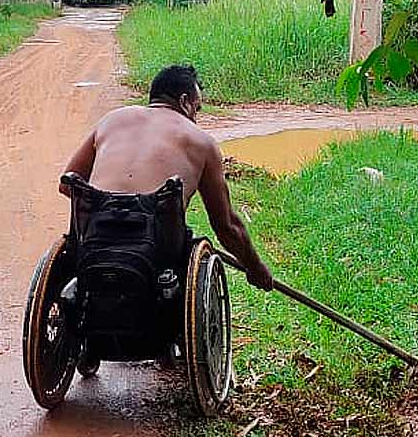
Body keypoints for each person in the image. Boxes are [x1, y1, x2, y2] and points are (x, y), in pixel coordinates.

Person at [61, 64, 273, 291]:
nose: (195, 119)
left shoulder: (112, 119)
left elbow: (67, 184)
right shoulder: (202, 141)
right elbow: (226, 226)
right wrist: (256, 268)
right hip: (157, 252)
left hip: (93, 236)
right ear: (184, 102)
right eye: (197, 109)